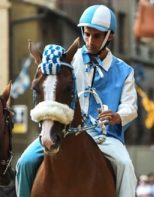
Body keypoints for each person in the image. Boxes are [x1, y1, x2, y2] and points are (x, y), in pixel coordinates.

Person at [16, 4, 138, 197]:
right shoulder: (70, 60)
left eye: (97, 36)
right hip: (66, 131)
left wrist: (117, 116)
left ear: (110, 36)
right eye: (87, 34)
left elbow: (131, 106)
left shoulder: (125, 71)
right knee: (24, 162)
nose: (90, 41)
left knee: (125, 165)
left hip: (104, 137)